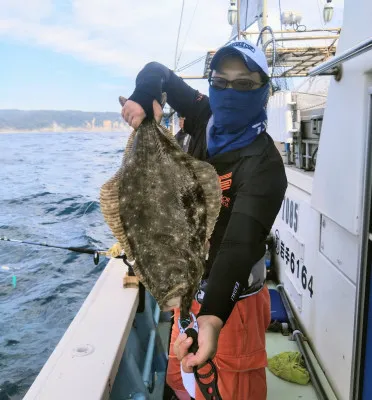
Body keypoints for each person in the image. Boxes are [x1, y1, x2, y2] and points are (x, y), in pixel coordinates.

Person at [121, 39, 287, 400]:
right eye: (221, 81)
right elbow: (158, 71)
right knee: (181, 381)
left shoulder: (264, 164)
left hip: (232, 303)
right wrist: (143, 96)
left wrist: (211, 318)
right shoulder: (203, 115)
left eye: (244, 83)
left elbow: (240, 246)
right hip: (185, 291)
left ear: (264, 91)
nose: (230, 92)